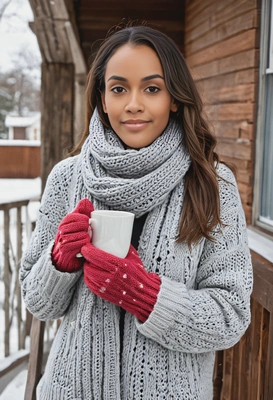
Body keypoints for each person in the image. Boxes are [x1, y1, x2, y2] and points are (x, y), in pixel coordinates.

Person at [20, 25, 253, 400]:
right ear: (102, 99)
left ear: (174, 98)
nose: (133, 104)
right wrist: (59, 260)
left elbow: (230, 315)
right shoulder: (67, 177)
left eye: (152, 88)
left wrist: (144, 295)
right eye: (118, 88)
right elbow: (37, 302)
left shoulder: (213, 185)